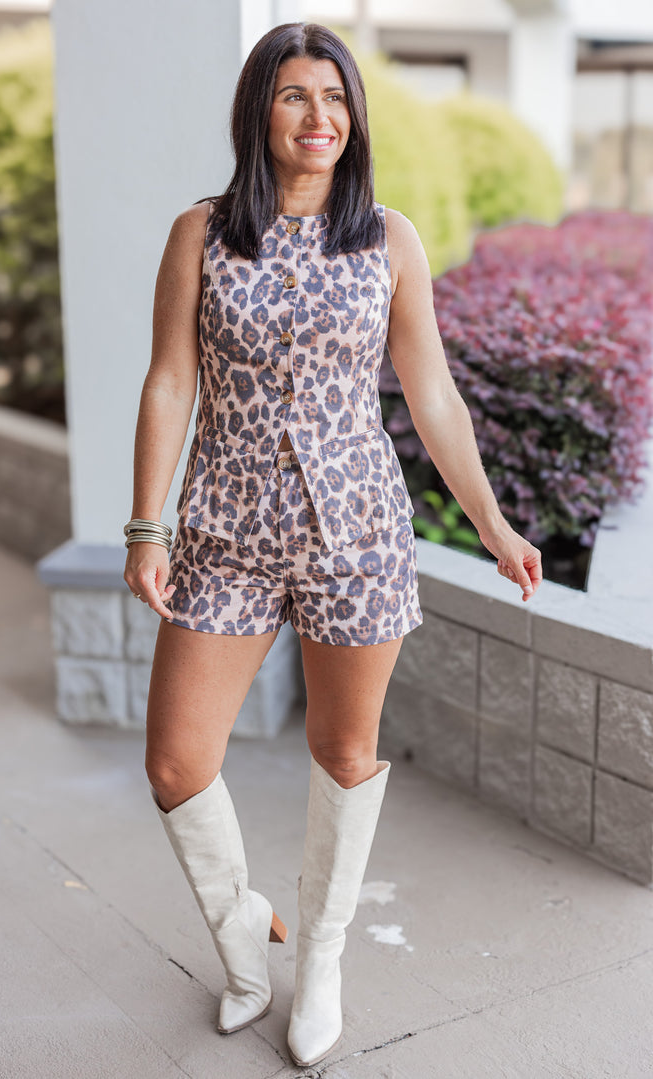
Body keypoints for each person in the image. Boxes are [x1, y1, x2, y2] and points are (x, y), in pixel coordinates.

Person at [123, 21, 542, 1070]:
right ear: (259, 111)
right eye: (296, 97)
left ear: (355, 118)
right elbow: (170, 379)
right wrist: (146, 521)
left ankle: (322, 956)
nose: (320, 118)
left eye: (337, 99)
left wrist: (489, 519)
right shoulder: (203, 232)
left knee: (343, 754)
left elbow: (429, 388)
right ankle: (243, 946)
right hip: (224, 526)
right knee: (177, 760)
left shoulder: (387, 237)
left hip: (357, 529)